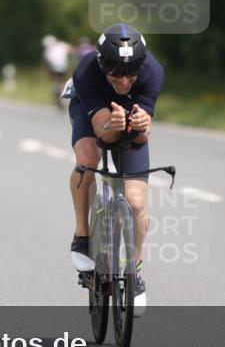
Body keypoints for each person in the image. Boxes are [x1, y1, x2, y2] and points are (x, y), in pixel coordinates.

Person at [67, 23, 164, 317]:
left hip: (130, 115)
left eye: (130, 74)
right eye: (116, 75)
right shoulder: (87, 70)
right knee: (87, 158)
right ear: (102, 66)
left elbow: (140, 139)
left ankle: (134, 271)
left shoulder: (152, 73)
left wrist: (140, 129)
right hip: (90, 108)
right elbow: (102, 133)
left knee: (135, 202)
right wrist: (113, 126)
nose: (123, 82)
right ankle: (82, 234)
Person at [42, 35, 72, 106]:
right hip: (63, 67)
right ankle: (62, 94)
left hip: (54, 68)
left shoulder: (48, 50)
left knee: (55, 79)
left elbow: (47, 62)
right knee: (62, 81)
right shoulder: (62, 45)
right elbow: (71, 50)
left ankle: (56, 88)